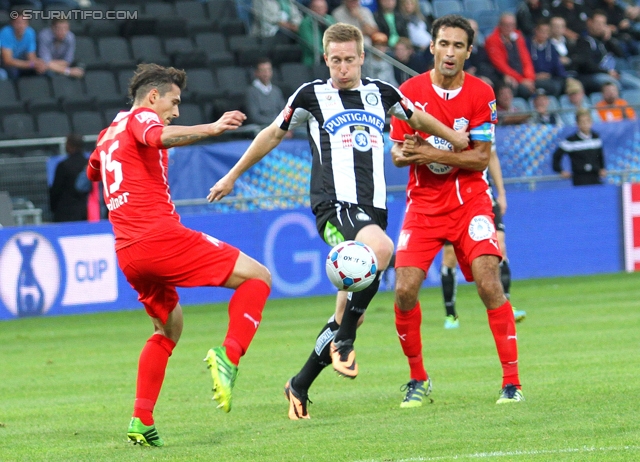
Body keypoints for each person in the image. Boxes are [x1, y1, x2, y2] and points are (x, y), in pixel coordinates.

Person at [207, 22, 469, 420]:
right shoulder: (311, 95)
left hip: (372, 210)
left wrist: (453, 136)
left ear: (362, 58)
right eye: (335, 60)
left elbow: (417, 119)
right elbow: (271, 135)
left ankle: (299, 385)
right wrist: (232, 175)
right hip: (334, 206)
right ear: (325, 59)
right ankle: (343, 342)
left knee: (347, 313)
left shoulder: (381, 93)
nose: (342, 67)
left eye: (349, 60)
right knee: (382, 250)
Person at [86, 63, 272, 446]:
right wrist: (211, 128)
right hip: (159, 237)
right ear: (153, 97)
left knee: (169, 329)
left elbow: (94, 172)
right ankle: (229, 355)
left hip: (128, 253)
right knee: (258, 277)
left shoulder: (107, 136)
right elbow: (158, 137)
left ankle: (141, 420)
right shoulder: (141, 118)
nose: (176, 110)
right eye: (174, 101)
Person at [389, 14, 524, 408]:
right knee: (403, 290)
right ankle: (418, 379)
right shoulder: (409, 91)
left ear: (468, 51)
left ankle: (512, 383)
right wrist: (408, 153)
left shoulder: (482, 94)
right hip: (424, 206)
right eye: (443, 44)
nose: (449, 52)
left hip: (470, 203)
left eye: (457, 46)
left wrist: (427, 151)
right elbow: (399, 153)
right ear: (431, 47)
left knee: (488, 282)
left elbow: (480, 159)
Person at [440, 136, 527, 330]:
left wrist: (502, 193)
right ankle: (451, 314)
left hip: (483, 195)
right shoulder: (445, 123)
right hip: (451, 197)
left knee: (499, 247)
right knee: (450, 255)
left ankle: (506, 307)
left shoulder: (484, 122)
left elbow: (492, 156)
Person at [485, 12, 537, 99]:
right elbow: (500, 65)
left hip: (523, 77)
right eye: (506, 25)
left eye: (512, 25)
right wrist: (521, 80)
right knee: (522, 90)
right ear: (500, 25)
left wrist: (529, 78)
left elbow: (526, 60)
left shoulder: (518, 37)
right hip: (504, 77)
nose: (509, 28)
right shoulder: (492, 40)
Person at [552, 108, 607, 185]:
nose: (585, 124)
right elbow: (556, 156)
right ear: (577, 124)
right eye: (582, 122)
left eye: (587, 121)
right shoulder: (571, 140)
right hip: (579, 178)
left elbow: (600, 155)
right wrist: (560, 171)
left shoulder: (596, 137)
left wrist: (602, 168)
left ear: (591, 122)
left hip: (595, 176)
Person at [49, 134, 89, 222]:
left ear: (70, 145)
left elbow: (56, 190)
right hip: (86, 212)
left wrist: (53, 209)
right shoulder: (89, 164)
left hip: (65, 213)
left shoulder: (63, 166)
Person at [0, 9, 46, 79]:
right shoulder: (6, 33)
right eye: (18, 23)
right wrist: (29, 64)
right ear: (12, 23)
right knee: (12, 72)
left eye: (24, 23)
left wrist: (37, 64)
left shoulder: (30, 32)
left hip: (20, 61)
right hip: (4, 64)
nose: (21, 26)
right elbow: (7, 61)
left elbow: (31, 57)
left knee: (40, 70)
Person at [528, 19, 568, 97]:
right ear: (536, 31)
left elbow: (557, 66)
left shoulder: (551, 47)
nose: (544, 34)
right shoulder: (527, 45)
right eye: (542, 31)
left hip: (550, 78)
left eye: (547, 32)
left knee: (563, 84)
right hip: (533, 78)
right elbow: (524, 64)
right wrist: (534, 76)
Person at [245, 57, 287, 126]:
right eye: (263, 70)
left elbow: (283, 112)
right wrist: (276, 124)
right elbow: (254, 117)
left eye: (268, 70)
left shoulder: (276, 91)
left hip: (279, 127)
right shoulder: (251, 92)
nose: (266, 73)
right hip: (263, 128)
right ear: (256, 73)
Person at [299, 0, 336, 67]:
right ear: (311, 9)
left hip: (332, 57)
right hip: (313, 61)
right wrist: (330, 54)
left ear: (326, 9)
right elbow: (312, 46)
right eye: (316, 8)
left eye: (321, 8)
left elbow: (337, 38)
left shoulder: (330, 20)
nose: (319, 11)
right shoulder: (305, 24)